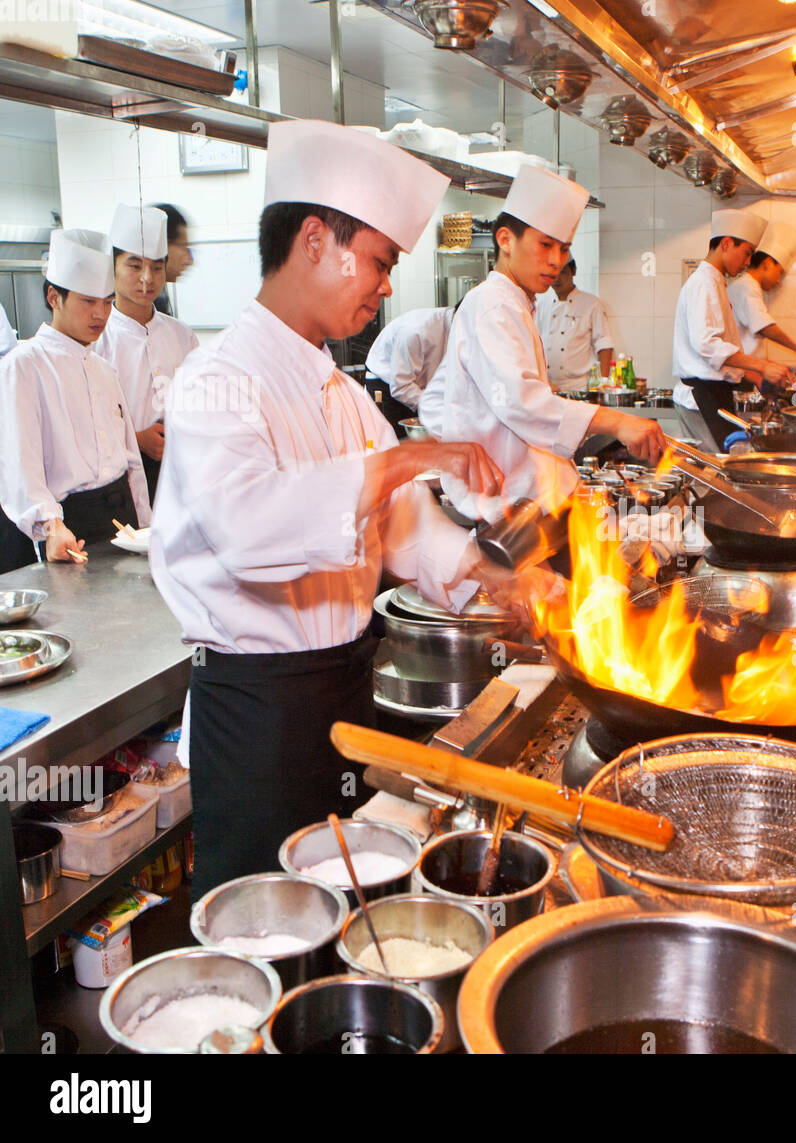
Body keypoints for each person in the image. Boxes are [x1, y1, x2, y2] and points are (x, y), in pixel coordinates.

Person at [149, 120, 533, 894]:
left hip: (344, 690)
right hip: (259, 715)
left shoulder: (344, 392)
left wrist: (495, 580)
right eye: (383, 262)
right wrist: (404, 456)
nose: (387, 286)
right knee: (269, 920)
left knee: (348, 902)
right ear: (317, 240)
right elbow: (248, 529)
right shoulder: (215, 378)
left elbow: (396, 523)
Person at [419, 164, 664, 525]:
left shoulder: (516, 303)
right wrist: (617, 422)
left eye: (564, 249)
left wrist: (467, 444)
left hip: (527, 495)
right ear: (505, 240)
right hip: (510, 506)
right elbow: (522, 402)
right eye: (545, 244)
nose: (556, 260)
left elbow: (437, 398)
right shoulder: (492, 304)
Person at [0, 229, 150, 574]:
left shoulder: (102, 368)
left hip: (122, 517)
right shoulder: (23, 365)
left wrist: (145, 521)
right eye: (88, 301)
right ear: (54, 296)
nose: (101, 314)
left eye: (108, 302)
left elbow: (130, 460)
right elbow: (19, 463)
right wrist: (51, 525)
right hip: (71, 526)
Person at [93, 204, 199, 502]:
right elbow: (86, 423)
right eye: (134, 265)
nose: (146, 279)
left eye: (156, 267)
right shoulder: (98, 340)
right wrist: (137, 439)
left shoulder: (182, 336)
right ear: (112, 267)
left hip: (181, 472)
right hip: (121, 481)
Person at [671, 209, 796, 451]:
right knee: (711, 472)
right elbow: (707, 345)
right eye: (747, 253)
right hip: (701, 398)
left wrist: (754, 374)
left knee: (722, 467)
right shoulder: (704, 283)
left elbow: (723, 350)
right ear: (727, 244)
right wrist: (761, 366)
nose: (748, 262)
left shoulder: (717, 283)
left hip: (714, 394)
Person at [728, 220, 796, 374]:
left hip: (745, 371)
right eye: (780, 273)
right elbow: (764, 327)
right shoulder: (745, 287)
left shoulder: (748, 287)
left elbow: (751, 346)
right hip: (740, 376)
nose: (778, 280)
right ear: (767, 263)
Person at [534, 257, 615, 389]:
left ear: (573, 271)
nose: (557, 278)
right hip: (549, 387)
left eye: (563, 272)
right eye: (553, 273)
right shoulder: (542, 305)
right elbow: (534, 345)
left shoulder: (592, 304)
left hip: (580, 387)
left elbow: (604, 344)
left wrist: (603, 383)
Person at [365, 304, 455, 411]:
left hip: (418, 388)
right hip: (385, 385)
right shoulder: (417, 330)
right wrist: (438, 408)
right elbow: (401, 387)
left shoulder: (461, 330)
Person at [150, 203, 193, 316]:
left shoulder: (158, 293)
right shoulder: (144, 300)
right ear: (164, 245)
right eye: (183, 246)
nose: (189, 260)